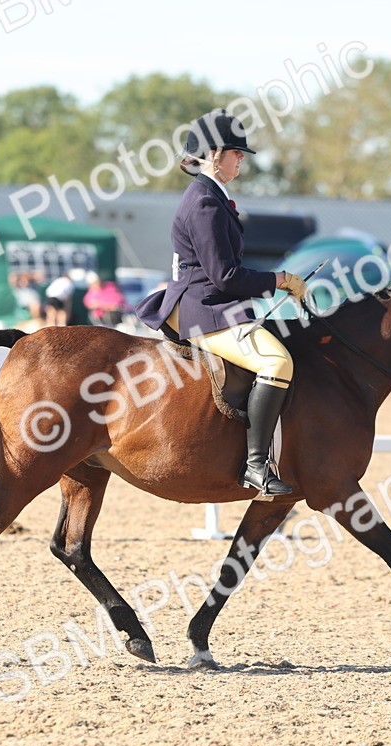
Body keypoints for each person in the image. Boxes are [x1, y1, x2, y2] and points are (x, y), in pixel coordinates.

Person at [136, 109, 307, 496]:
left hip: (211, 303)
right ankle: (256, 465)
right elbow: (226, 276)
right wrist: (279, 280)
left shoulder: (213, 196)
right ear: (214, 154)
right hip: (204, 309)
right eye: (236, 152)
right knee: (277, 362)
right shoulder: (205, 203)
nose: (241, 158)